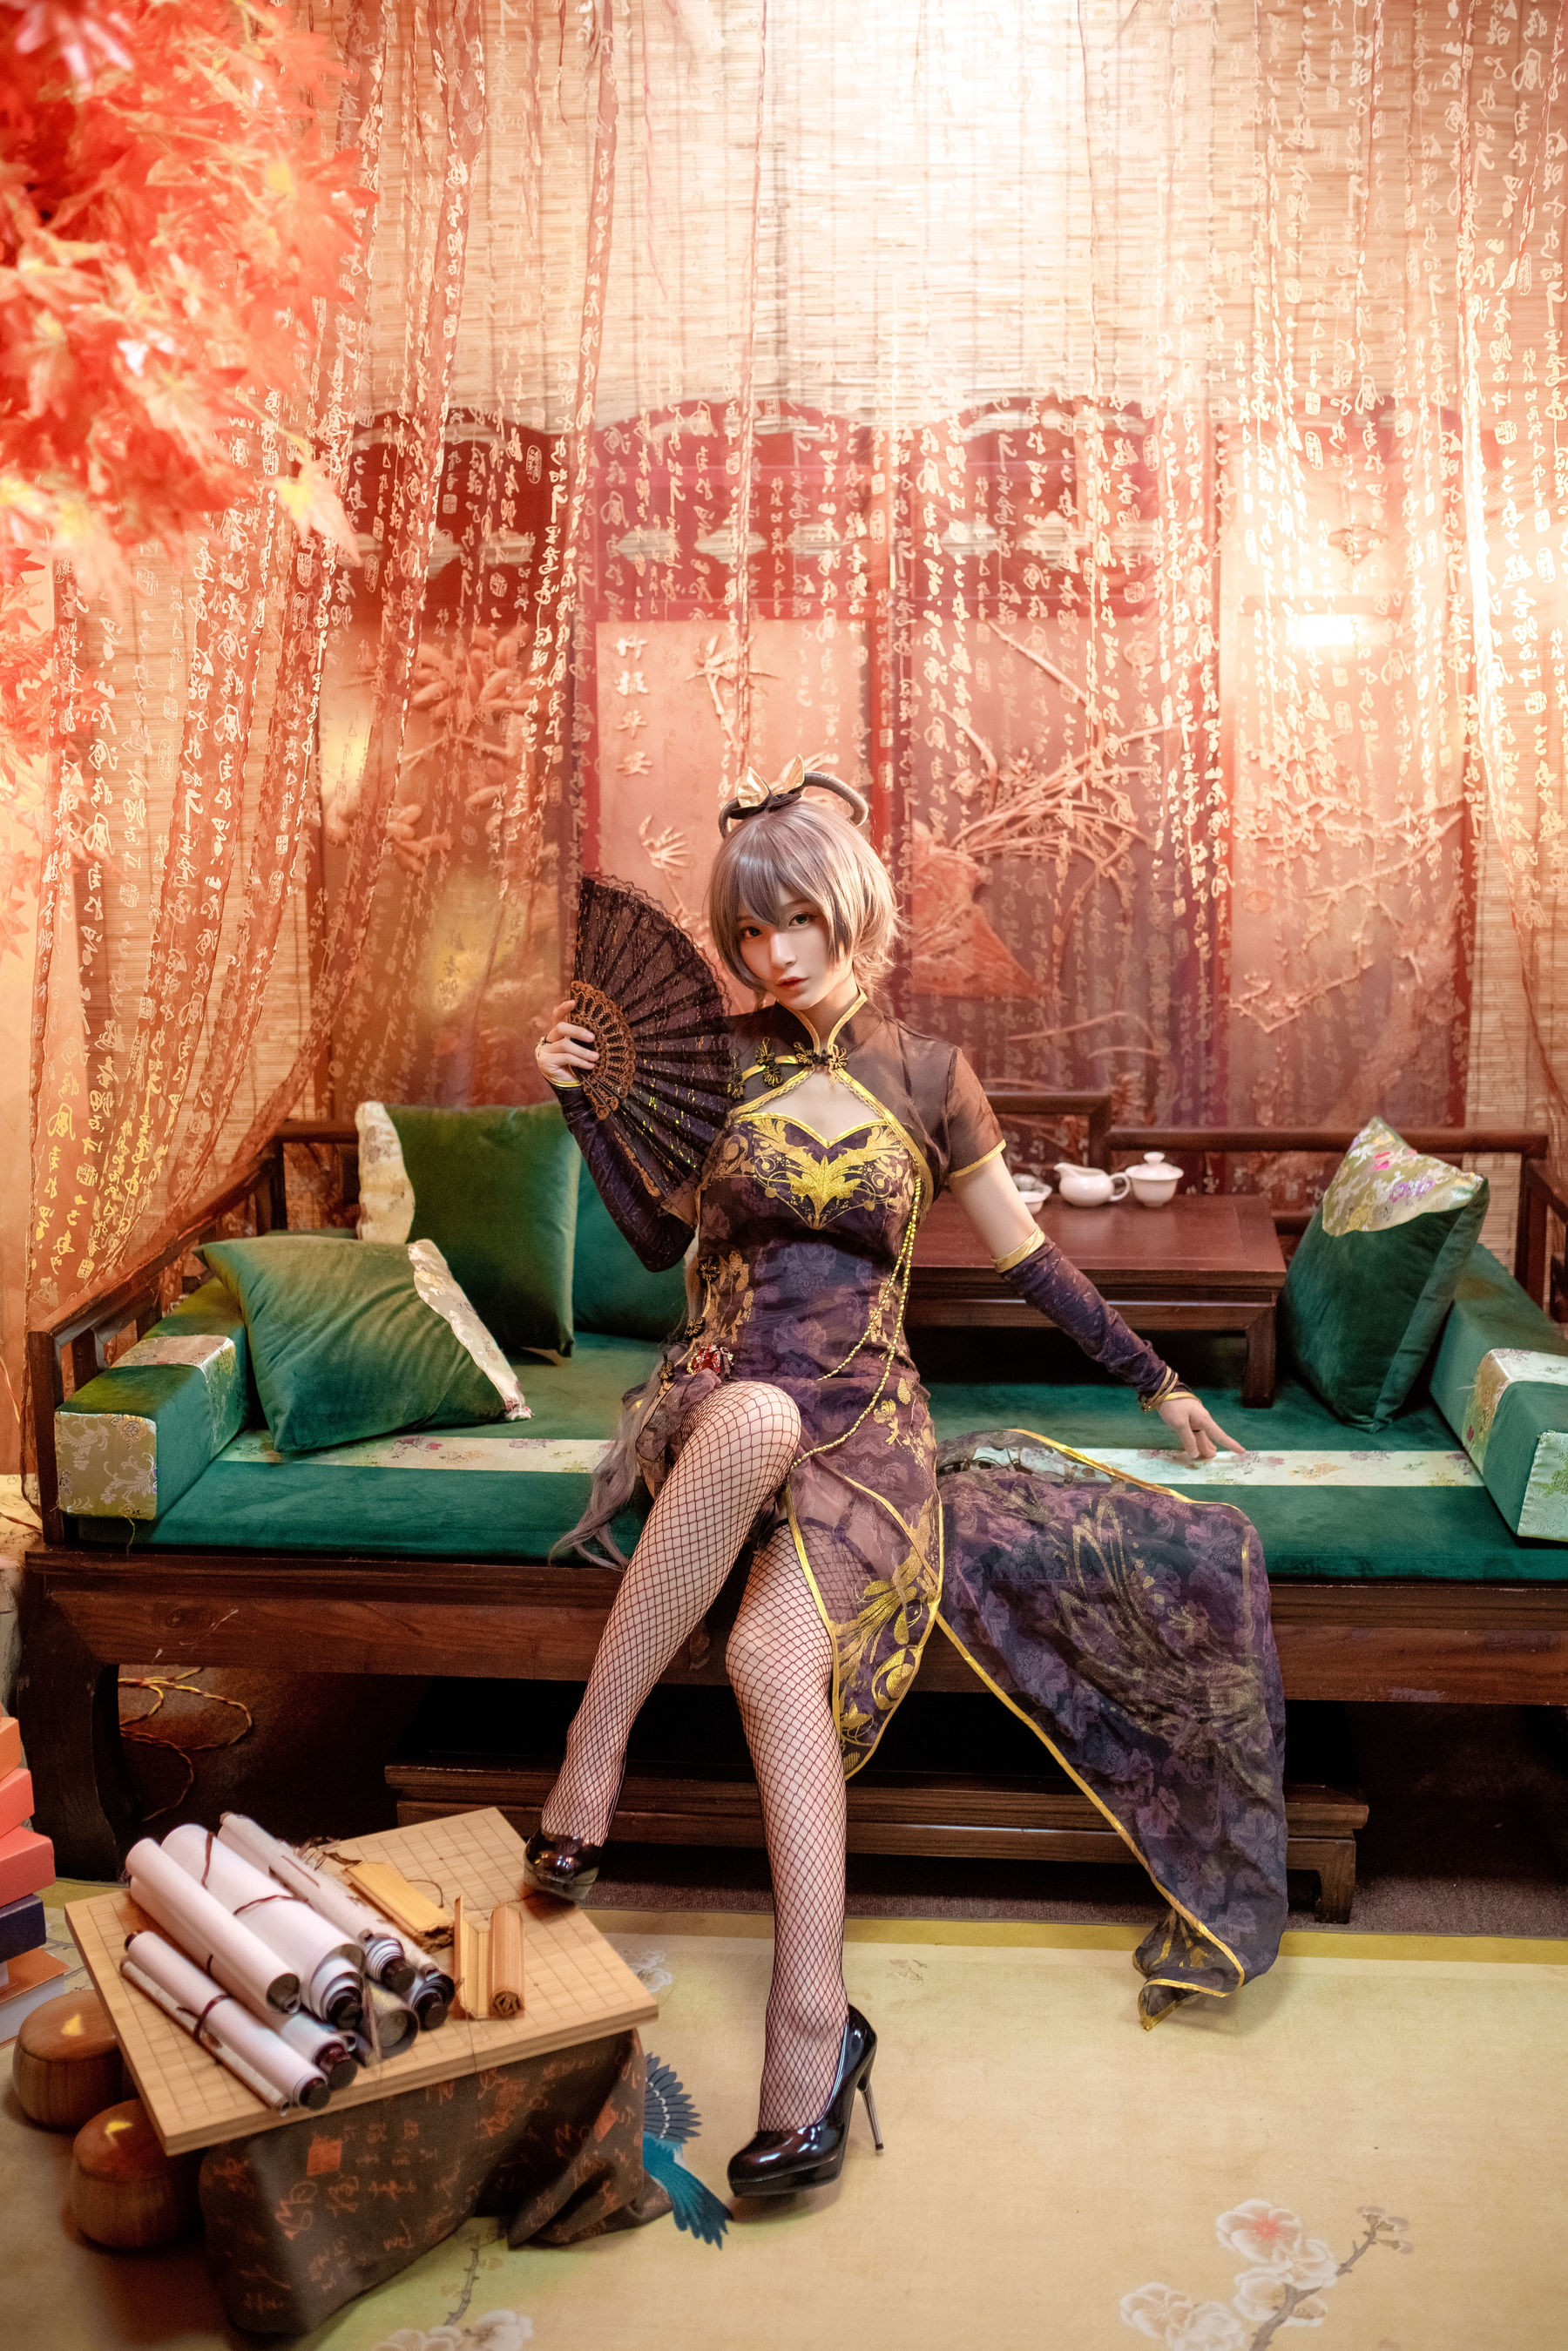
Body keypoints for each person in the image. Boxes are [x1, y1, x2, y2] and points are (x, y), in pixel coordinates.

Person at [531, 763, 1287, 2201]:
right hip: (721, 1401)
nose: (773, 955)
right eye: (749, 933)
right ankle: (594, 1753)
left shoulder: (932, 1077)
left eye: (798, 922)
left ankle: (814, 2040)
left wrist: (1155, 1378)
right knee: (752, 1414)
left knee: (770, 1663)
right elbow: (654, 1244)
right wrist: (583, 1107)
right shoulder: (721, 1063)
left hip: (867, 1426)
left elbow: (1030, 1261)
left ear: (850, 911)